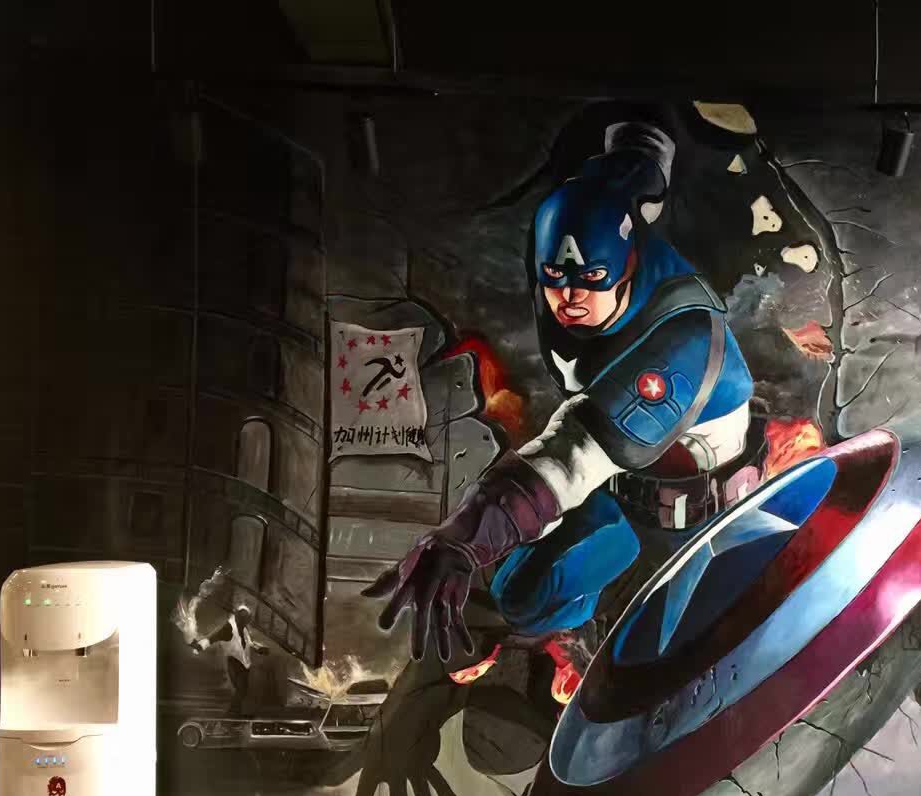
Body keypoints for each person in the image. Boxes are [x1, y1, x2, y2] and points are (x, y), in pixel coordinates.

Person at [365, 121, 765, 662]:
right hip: (619, 488)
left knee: (688, 650)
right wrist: (641, 143)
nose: (569, 297)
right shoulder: (585, 232)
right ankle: (591, 614)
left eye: (592, 278)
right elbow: (631, 174)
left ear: (629, 263)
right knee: (524, 596)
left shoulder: (682, 339)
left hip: (693, 513)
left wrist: (464, 536)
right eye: (556, 276)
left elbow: (573, 455)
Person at [192, 604, 266, 716]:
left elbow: (248, 642)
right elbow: (212, 638)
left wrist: (258, 648)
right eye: (244, 619)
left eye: (247, 619)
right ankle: (232, 712)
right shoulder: (228, 628)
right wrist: (199, 647)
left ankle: (236, 712)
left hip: (245, 663)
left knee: (242, 690)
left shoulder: (243, 628)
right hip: (234, 661)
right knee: (241, 689)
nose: (246, 622)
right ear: (238, 617)